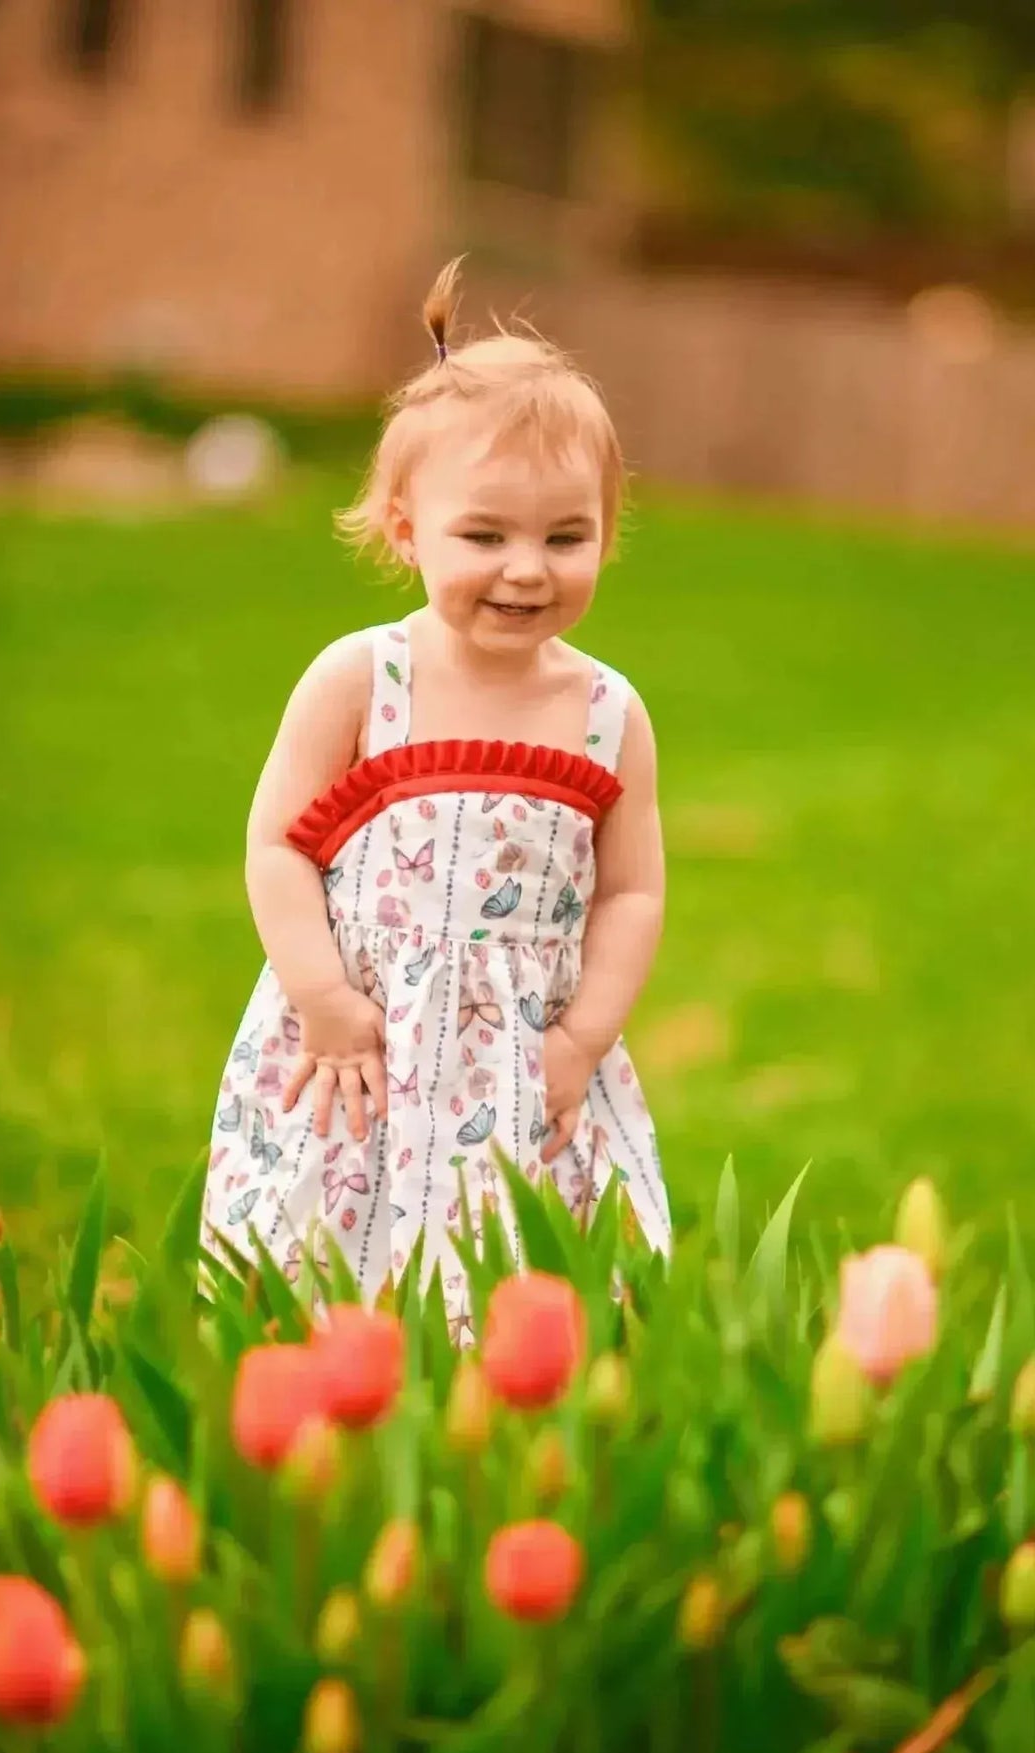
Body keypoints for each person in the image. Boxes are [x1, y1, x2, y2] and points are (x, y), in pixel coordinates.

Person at [201, 259, 671, 1331]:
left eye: (566, 536)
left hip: (526, 1062)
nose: (526, 568)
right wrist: (322, 998)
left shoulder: (607, 713)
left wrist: (583, 1041)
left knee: (520, 1297)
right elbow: (278, 844)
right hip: (360, 1054)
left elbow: (631, 891)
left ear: (606, 531)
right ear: (408, 529)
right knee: (328, 1284)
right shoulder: (365, 682)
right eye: (485, 534)